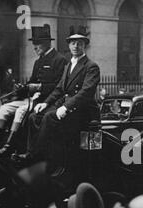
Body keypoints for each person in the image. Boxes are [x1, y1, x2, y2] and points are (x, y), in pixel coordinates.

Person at [0, 24, 67, 156]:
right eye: (34, 43)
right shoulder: (38, 62)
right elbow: (31, 83)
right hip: (32, 100)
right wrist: (22, 88)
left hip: (47, 102)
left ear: (47, 43)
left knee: (21, 110)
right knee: (4, 108)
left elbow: (60, 86)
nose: (34, 47)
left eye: (38, 43)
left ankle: (8, 147)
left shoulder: (60, 60)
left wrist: (37, 87)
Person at [21, 26, 100, 174]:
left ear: (85, 45)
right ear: (69, 45)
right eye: (73, 43)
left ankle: (40, 158)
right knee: (34, 116)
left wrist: (66, 107)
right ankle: (31, 153)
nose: (76, 46)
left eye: (79, 43)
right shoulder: (69, 64)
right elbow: (59, 88)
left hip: (84, 111)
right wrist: (46, 103)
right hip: (70, 107)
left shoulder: (91, 66)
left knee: (50, 117)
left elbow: (85, 93)